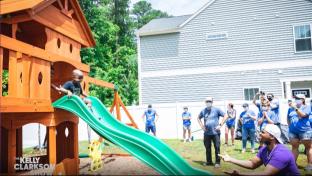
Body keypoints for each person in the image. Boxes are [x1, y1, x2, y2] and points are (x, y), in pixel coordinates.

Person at [219, 124, 300, 176]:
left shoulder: (281, 153)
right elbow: (252, 164)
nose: (260, 134)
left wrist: (240, 174)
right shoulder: (265, 149)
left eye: (263, 132)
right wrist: (230, 159)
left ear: (272, 137)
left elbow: (266, 173)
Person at [52, 69, 92, 143]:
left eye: (80, 81)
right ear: (73, 78)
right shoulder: (69, 83)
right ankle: (87, 109)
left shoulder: (78, 84)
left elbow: (81, 91)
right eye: (78, 80)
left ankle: (88, 110)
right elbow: (61, 89)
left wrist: (88, 96)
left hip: (78, 101)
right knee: (84, 101)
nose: (79, 82)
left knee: (89, 101)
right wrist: (68, 91)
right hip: (72, 103)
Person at [197, 97, 229, 168]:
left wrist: (220, 125)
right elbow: (198, 118)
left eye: (210, 101)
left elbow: (226, 116)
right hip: (207, 133)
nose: (208, 102)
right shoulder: (203, 111)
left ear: (212, 102)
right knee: (207, 148)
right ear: (205, 102)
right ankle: (209, 162)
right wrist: (202, 126)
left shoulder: (216, 110)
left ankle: (217, 162)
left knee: (217, 147)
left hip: (215, 133)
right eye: (207, 101)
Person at [288, 94, 312, 171]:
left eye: (297, 98)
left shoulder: (307, 107)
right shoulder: (290, 109)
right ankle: (293, 165)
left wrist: (294, 107)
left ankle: (310, 165)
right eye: (295, 98)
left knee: (308, 148)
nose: (295, 100)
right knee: (294, 147)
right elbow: (288, 118)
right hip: (293, 131)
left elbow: (303, 115)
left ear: (302, 100)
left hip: (305, 131)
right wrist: (290, 126)